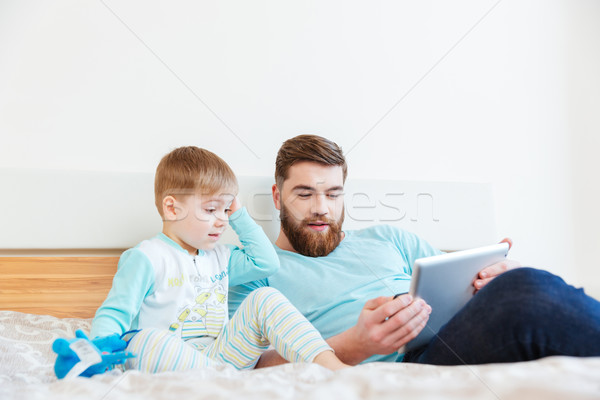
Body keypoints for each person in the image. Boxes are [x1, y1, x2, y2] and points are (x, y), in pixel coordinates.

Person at [229, 134, 600, 367]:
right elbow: (247, 366)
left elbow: (457, 280)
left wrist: (495, 275)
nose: (322, 208)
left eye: (333, 194)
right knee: (526, 294)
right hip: (415, 361)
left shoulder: (389, 238)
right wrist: (353, 346)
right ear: (277, 197)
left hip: (456, 330)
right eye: (305, 194)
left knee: (520, 283)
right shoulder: (252, 273)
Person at [90, 146, 348, 372]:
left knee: (265, 298)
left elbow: (266, 262)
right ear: (172, 208)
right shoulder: (147, 256)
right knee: (142, 340)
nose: (222, 219)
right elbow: (114, 313)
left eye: (226, 209)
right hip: (166, 358)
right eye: (211, 209)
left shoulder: (221, 258)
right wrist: (97, 355)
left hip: (220, 357)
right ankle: (220, 381)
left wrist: (239, 214)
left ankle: (333, 367)